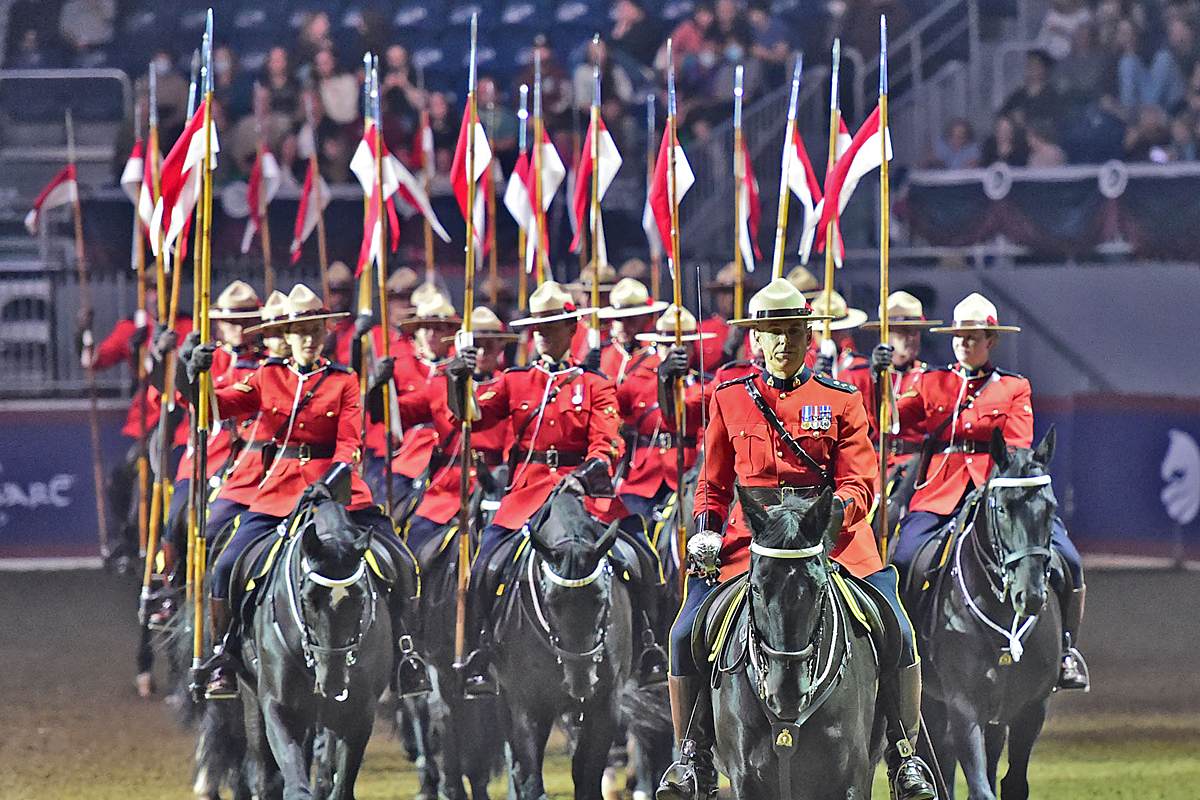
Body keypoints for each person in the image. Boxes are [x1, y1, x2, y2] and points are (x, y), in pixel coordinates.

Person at [656, 278, 937, 800]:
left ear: (809, 336)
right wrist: (705, 533)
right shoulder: (730, 399)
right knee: (683, 635)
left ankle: (904, 757)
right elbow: (713, 485)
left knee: (897, 628)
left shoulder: (841, 400)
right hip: (750, 547)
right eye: (772, 332)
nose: (782, 342)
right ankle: (691, 758)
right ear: (756, 340)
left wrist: (826, 523)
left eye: (792, 331)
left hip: (831, 542)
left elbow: (859, 482)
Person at [183, 284, 429, 700]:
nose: (309, 339)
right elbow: (213, 408)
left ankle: (406, 652)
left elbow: (351, 442)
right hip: (278, 491)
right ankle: (223, 655)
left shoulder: (344, 381)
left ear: (325, 333)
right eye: (301, 331)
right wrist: (196, 375)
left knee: (402, 561)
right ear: (288, 334)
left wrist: (330, 482)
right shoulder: (267, 376)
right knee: (225, 567)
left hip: (337, 493)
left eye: (316, 330)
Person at [446, 282, 666, 694]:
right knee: (484, 566)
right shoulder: (515, 381)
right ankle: (479, 654)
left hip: (585, 494)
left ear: (572, 329)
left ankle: (650, 646)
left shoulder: (596, 384)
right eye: (539, 327)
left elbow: (609, 442)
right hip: (528, 493)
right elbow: (471, 416)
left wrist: (584, 475)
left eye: (553, 325)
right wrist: (458, 379)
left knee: (642, 558)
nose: (544, 334)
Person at [886, 293, 1089, 692]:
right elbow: (891, 423)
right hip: (940, 490)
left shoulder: (1013, 387)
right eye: (958, 337)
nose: (963, 343)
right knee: (905, 558)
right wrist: (883, 377)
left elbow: (1016, 445)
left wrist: (996, 486)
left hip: (997, 493)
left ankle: (1064, 650)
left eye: (972, 337)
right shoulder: (930, 382)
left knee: (1069, 559)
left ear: (990, 341)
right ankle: (903, 653)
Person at [403, 307, 518, 552]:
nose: (482, 351)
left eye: (489, 344)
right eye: (475, 345)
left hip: (494, 486)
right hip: (447, 490)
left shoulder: (510, 386)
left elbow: (513, 445)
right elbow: (399, 415)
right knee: (415, 536)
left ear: (501, 346)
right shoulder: (438, 385)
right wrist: (376, 389)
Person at [620, 305, 713, 522]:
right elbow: (613, 412)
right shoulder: (637, 380)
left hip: (685, 476)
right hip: (643, 477)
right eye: (666, 345)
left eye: (680, 346)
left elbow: (681, 420)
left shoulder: (704, 386)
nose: (672, 351)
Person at [845, 291, 941, 469]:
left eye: (916, 331)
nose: (912, 337)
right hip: (871, 464)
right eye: (904, 331)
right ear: (885, 333)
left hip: (915, 464)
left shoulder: (930, 378)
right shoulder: (859, 376)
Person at [593, 277, 669, 379]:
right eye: (618, 319)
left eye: (630, 318)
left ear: (647, 318)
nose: (623, 325)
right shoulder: (604, 354)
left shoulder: (659, 356)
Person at [808, 288, 869, 378]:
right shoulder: (803, 363)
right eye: (821, 332)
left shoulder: (858, 368)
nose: (827, 337)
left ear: (844, 331)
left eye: (835, 331)